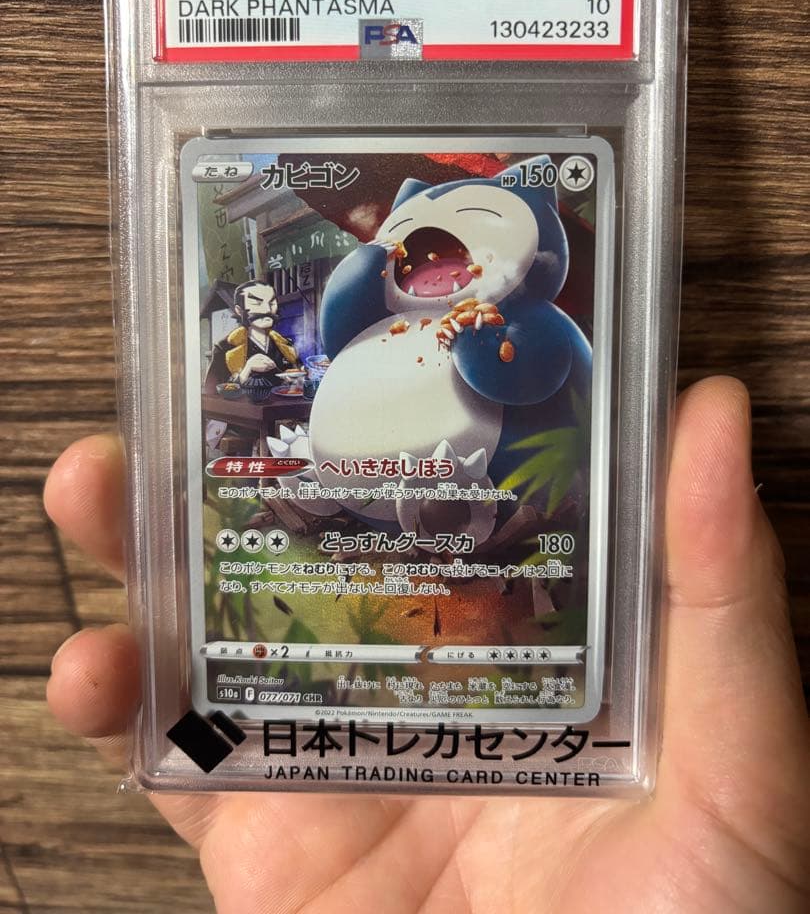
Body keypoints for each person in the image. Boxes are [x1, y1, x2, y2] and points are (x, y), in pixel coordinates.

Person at [43, 377, 810, 912]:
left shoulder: (503, 547)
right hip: (349, 714)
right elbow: (204, 734)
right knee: (167, 714)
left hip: (520, 736)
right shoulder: (316, 559)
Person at [206, 279, 298, 399]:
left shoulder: (285, 345)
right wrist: (246, 370)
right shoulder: (225, 347)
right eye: (257, 303)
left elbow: (298, 380)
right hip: (242, 410)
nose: (267, 309)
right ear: (239, 310)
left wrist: (295, 380)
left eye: (271, 303)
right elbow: (211, 392)